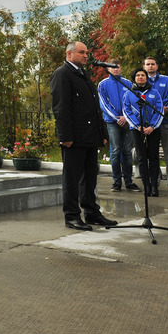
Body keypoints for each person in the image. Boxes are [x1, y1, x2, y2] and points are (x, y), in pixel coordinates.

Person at [50, 41, 115, 231]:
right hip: (74, 137)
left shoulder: (83, 74)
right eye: (81, 52)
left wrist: (101, 133)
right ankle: (71, 216)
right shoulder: (62, 74)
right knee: (72, 179)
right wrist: (65, 136)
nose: (86, 55)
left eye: (86, 52)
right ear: (69, 54)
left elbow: (94, 107)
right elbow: (61, 108)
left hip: (89, 136)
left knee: (90, 178)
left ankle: (92, 212)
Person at [97, 60, 137, 191]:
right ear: (108, 69)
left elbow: (133, 101)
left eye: (118, 67)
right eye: (112, 67)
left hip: (127, 121)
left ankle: (129, 181)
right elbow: (104, 103)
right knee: (115, 151)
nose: (115, 69)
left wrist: (126, 117)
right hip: (112, 122)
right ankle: (116, 182)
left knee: (127, 151)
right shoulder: (103, 84)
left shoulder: (128, 83)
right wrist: (116, 117)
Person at [123, 68, 164, 197]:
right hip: (137, 130)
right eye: (138, 75)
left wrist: (152, 126)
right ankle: (146, 185)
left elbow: (159, 109)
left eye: (143, 75)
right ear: (134, 78)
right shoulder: (129, 93)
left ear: (146, 77)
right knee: (141, 157)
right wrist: (137, 126)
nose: (140, 77)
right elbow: (127, 111)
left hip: (153, 129)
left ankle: (154, 185)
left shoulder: (155, 93)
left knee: (153, 157)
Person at [143, 57, 168, 194]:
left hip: (166, 121)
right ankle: (155, 181)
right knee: (152, 154)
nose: (150, 66)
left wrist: (166, 108)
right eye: (148, 64)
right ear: (144, 66)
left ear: (157, 66)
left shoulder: (167, 80)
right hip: (150, 124)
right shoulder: (141, 79)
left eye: (153, 64)